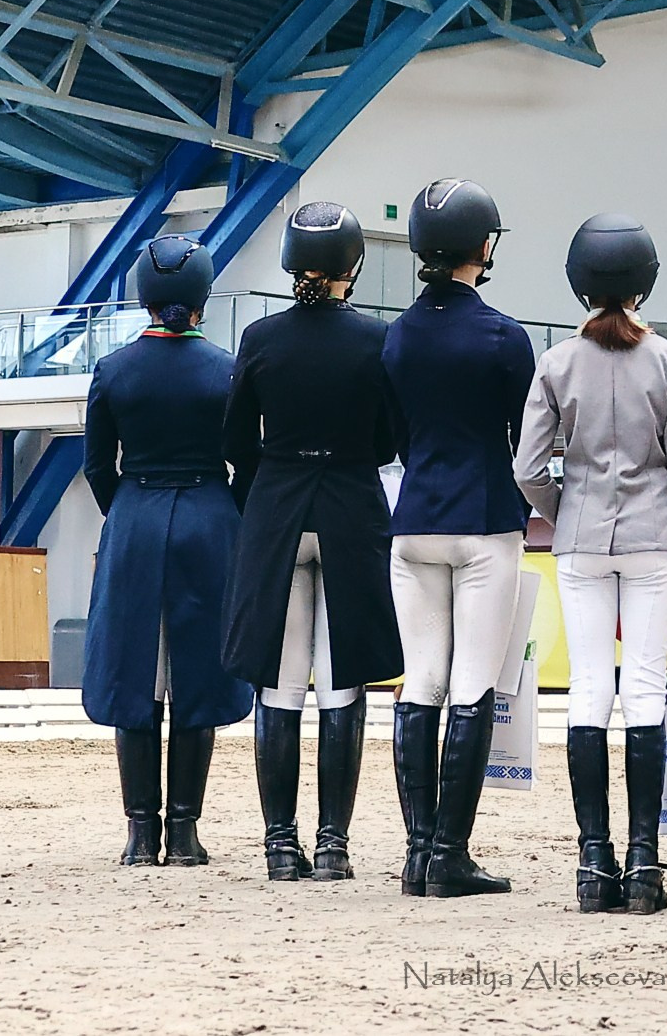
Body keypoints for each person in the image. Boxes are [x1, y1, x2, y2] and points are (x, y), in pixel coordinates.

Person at [514, 213, 667, 917]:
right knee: (646, 689)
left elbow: (526, 466)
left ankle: (592, 859)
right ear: (644, 282)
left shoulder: (555, 362)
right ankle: (642, 862)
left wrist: (563, 505)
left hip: (581, 543)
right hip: (657, 540)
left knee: (590, 689)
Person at [224, 202, 405, 883]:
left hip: (278, 506)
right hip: (350, 507)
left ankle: (279, 843)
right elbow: (389, 436)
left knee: (279, 681)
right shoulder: (375, 338)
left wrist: (267, 483)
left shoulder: (262, 337)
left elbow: (235, 438)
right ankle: (333, 844)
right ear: (351, 266)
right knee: (340, 679)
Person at [80, 234, 253, 869]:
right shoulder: (227, 368)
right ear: (202, 296)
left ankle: (138, 833)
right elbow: (248, 461)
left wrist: (126, 511)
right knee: (198, 674)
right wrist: (224, 507)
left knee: (136, 674)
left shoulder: (114, 370)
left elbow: (99, 464)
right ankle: (184, 832)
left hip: (135, 517)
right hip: (209, 515)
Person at [382, 178, 535, 898]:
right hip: (483, 518)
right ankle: (450, 854)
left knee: (421, 682)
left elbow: (394, 434)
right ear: (484, 246)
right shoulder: (505, 336)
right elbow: (522, 436)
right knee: (472, 682)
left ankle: (416, 853)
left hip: (413, 521)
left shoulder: (395, 334)